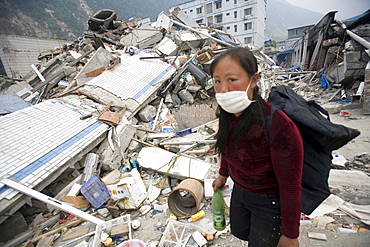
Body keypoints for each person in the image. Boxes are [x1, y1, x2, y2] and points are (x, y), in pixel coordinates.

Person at [211, 47, 304, 247]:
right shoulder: (227, 115)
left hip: (268, 199)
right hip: (241, 191)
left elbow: (290, 185)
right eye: (217, 81)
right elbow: (229, 148)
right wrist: (222, 175)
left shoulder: (278, 124)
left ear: (254, 80)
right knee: (242, 232)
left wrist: (290, 234)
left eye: (231, 79)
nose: (223, 89)